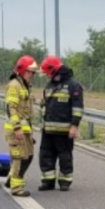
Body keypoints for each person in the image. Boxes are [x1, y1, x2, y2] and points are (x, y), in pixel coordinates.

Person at [38, 55, 84, 191]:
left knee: (65, 156)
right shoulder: (50, 85)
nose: (46, 76)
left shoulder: (73, 85)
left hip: (64, 131)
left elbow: (77, 107)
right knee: (45, 155)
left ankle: (65, 181)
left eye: (47, 73)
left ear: (54, 70)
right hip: (48, 130)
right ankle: (48, 181)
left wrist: (74, 126)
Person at [4, 55, 39, 197]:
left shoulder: (25, 85)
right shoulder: (14, 85)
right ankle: (16, 188)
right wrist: (17, 128)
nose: (33, 75)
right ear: (23, 70)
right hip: (16, 130)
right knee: (19, 158)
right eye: (31, 72)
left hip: (25, 130)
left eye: (34, 72)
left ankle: (11, 178)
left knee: (28, 156)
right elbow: (10, 108)